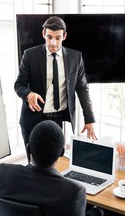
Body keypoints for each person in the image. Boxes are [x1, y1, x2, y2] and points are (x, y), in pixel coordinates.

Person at [0, 120, 104, 216]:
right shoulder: (73, 192)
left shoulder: (2, 172)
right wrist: (99, 211)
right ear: (62, 152)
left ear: (28, 149)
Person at [14, 16, 97, 147]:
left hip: (57, 119)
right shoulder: (29, 55)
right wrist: (28, 94)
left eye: (57, 38)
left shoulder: (75, 58)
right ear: (43, 34)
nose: (53, 43)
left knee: (57, 158)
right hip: (33, 118)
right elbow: (19, 84)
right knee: (33, 162)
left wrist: (89, 119)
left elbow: (82, 89)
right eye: (49, 37)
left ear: (64, 36)